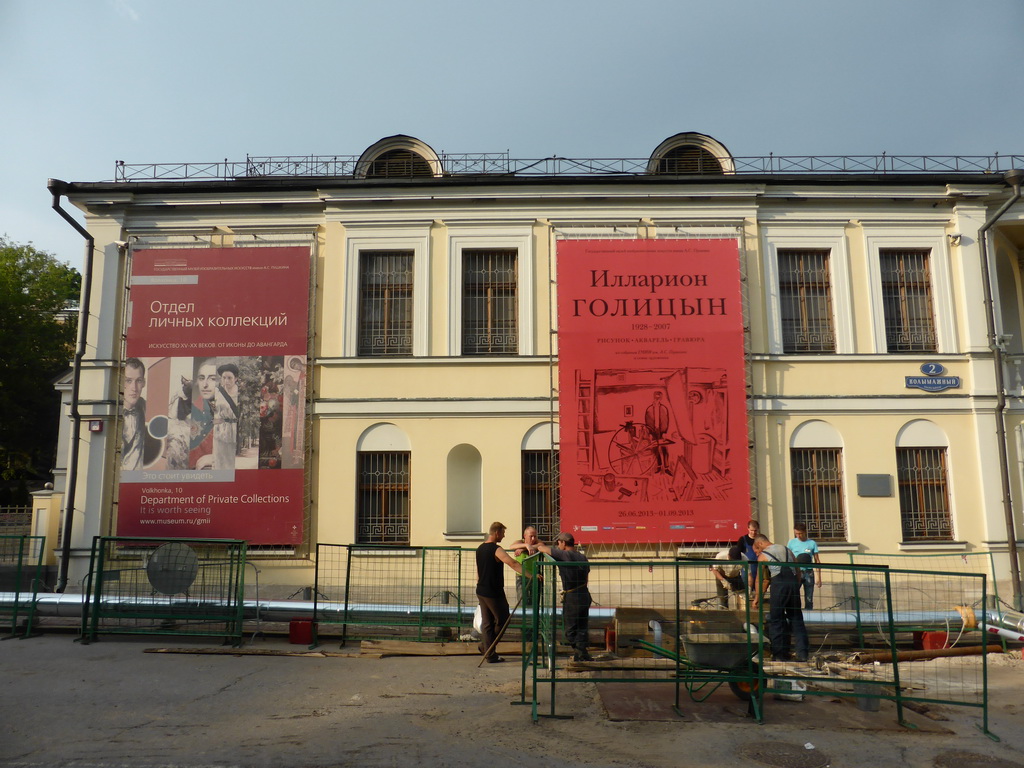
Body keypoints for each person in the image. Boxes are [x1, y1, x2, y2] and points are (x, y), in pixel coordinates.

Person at [534, 532, 593, 662]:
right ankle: (581, 655)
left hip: (572, 596)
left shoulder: (564, 554)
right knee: (582, 627)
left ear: (563, 543)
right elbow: (587, 578)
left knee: (570, 629)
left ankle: (580, 652)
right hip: (584, 594)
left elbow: (542, 549)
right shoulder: (583, 557)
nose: (557, 546)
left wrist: (536, 543)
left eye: (558, 543)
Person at [752, 533, 809, 662]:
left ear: (760, 543)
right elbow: (798, 570)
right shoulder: (787, 549)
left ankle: (780, 654)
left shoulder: (763, 556)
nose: (757, 553)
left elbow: (763, 580)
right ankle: (803, 654)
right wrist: (796, 586)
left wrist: (757, 598)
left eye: (756, 550)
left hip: (779, 586)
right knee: (796, 619)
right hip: (793, 585)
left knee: (776, 620)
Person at [476, 521, 526, 664]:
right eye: (503, 533)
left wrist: (479, 584)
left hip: (481, 589)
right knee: (503, 619)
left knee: (487, 622)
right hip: (493, 591)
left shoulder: (479, 548)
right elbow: (513, 563)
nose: (503, 536)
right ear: (497, 532)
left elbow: (478, 571)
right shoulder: (496, 549)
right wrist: (532, 575)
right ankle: (488, 648)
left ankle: (488, 651)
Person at [189, 358, 218, 470]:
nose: (205, 384)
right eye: (201, 378)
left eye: (212, 379)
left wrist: (217, 458)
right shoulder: (189, 412)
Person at [787, 523, 822, 610]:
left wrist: (819, 577)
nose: (798, 536)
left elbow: (817, 560)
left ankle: (809, 614)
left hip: (808, 572)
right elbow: (788, 558)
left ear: (805, 532)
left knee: (809, 597)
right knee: (793, 595)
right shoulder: (791, 543)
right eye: (796, 534)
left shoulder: (812, 543)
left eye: (800, 534)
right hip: (796, 572)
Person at [213, 363, 241, 470]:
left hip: (234, 429)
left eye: (230, 378)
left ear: (236, 378)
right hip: (220, 429)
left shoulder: (240, 393)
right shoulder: (217, 392)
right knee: (219, 458)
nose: (226, 381)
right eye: (224, 378)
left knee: (231, 459)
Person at [121, 358, 147, 470]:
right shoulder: (110, 409)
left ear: (144, 383)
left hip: (140, 481)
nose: (134, 388)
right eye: (128, 380)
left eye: (139, 381)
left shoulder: (147, 407)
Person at [644, 390, 672, 475]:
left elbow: (666, 421)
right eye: (656, 397)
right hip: (653, 432)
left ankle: (666, 468)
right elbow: (647, 422)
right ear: (654, 397)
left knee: (664, 449)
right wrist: (650, 433)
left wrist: (664, 432)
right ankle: (659, 466)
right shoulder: (649, 409)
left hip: (662, 431)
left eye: (659, 397)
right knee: (655, 449)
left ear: (661, 398)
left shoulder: (664, 408)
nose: (658, 399)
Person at [736, 519, 760, 589]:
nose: (753, 532)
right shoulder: (742, 539)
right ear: (748, 529)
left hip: (759, 568)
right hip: (746, 568)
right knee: (746, 590)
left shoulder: (761, 539)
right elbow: (738, 554)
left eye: (755, 530)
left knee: (758, 590)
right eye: (751, 530)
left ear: (758, 529)